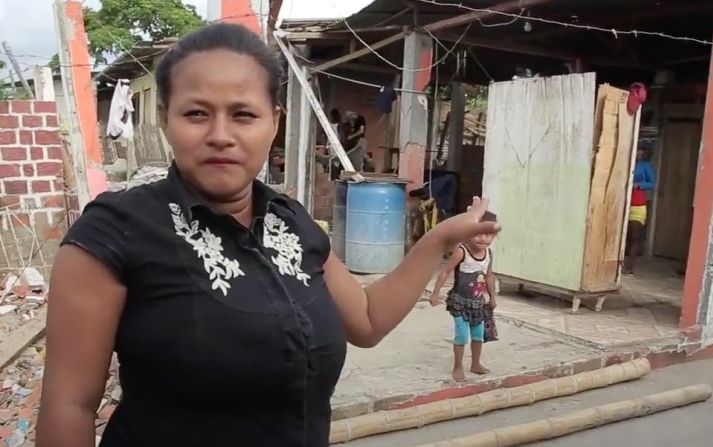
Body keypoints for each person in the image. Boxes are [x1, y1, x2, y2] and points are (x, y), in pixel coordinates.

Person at [36, 23, 500, 447]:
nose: (220, 135)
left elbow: (367, 320)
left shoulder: (291, 221)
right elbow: (69, 405)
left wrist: (437, 241)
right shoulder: (115, 231)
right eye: (196, 114)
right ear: (165, 118)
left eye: (243, 115)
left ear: (274, 122)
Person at [430, 211, 498, 382]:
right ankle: (457, 367)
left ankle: (476, 363)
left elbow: (489, 276)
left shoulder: (489, 254)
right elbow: (445, 271)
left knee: (478, 335)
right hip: (460, 301)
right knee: (461, 335)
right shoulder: (462, 252)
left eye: (488, 235)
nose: (483, 239)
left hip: (478, 303)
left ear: (494, 236)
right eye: (478, 233)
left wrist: (492, 297)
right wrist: (435, 293)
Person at [624, 146, 656, 275]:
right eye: (637, 151)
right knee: (622, 237)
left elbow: (652, 183)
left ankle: (629, 267)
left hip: (638, 204)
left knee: (634, 236)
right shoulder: (625, 161)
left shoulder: (645, 166)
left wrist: (640, 185)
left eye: (641, 152)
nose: (638, 154)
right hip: (622, 202)